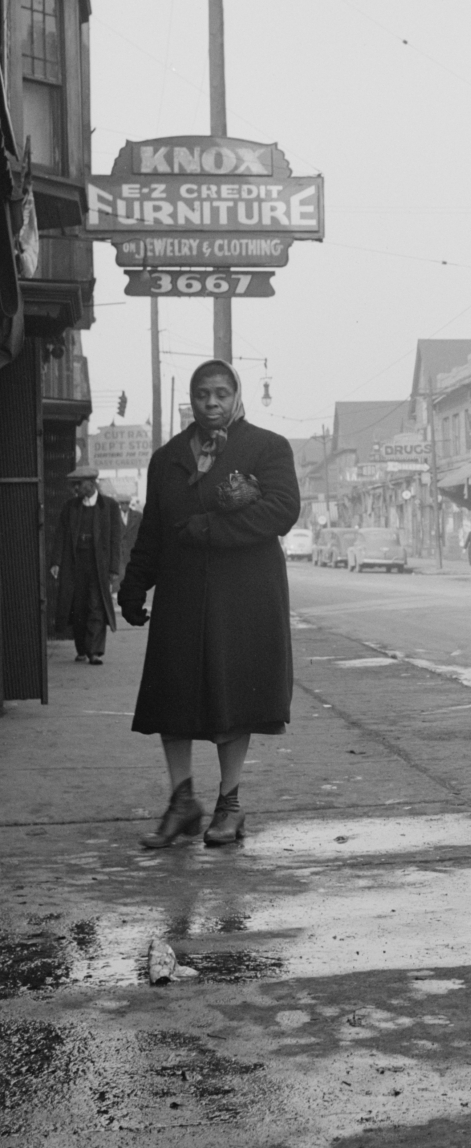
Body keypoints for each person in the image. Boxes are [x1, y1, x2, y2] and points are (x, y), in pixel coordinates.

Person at [118, 360, 300, 849]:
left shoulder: (266, 448)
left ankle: (230, 806)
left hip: (243, 596)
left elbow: (282, 509)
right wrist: (134, 586)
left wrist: (212, 529)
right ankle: (182, 803)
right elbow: (153, 530)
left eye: (221, 393)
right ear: (192, 400)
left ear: (235, 394)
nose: (212, 403)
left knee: (231, 696)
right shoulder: (167, 458)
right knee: (172, 695)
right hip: (180, 594)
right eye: (203, 394)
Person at [52, 464, 122, 665]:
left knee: (96, 606)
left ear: (91, 484)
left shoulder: (109, 506)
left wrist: (113, 569)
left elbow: (115, 540)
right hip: (75, 565)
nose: (76, 488)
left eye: (79, 484)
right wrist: (56, 562)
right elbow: (61, 535)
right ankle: (82, 649)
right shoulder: (70, 507)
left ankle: (95, 652)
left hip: (98, 565)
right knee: (78, 607)